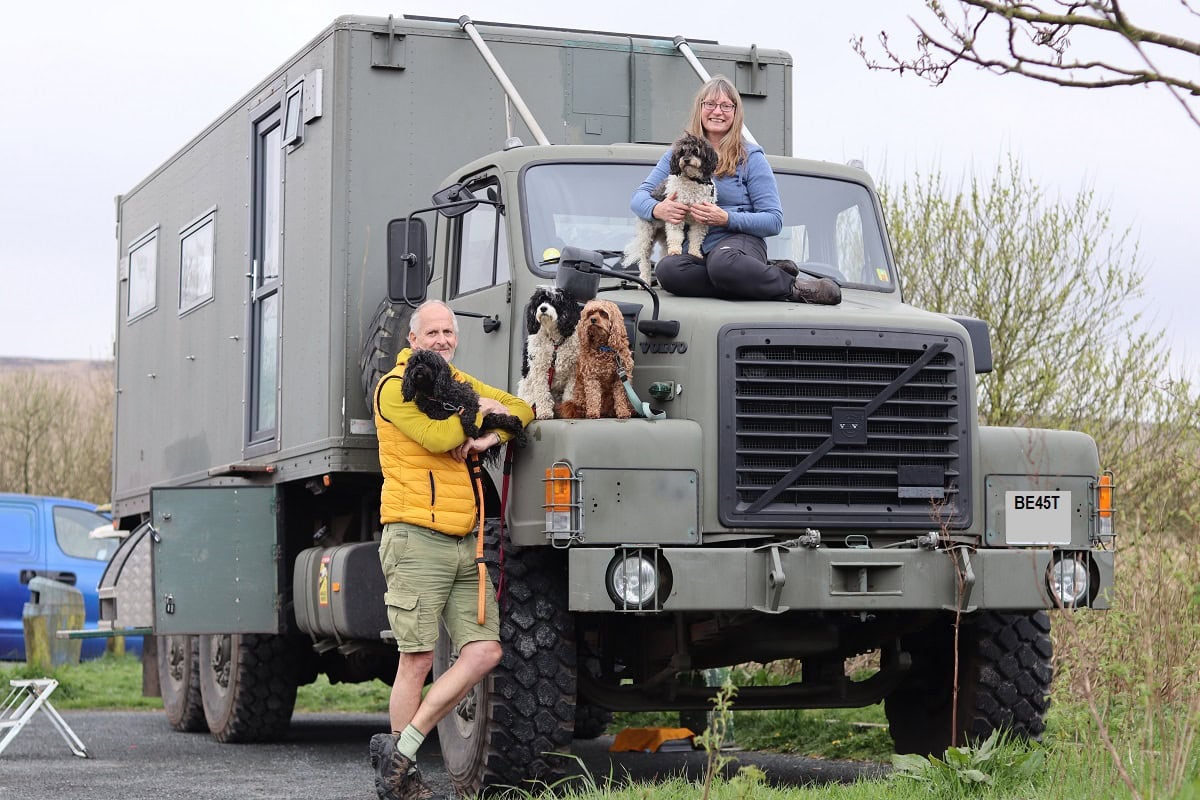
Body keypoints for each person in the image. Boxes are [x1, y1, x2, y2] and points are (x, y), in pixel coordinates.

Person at [369, 299, 534, 800]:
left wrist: (486, 440)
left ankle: (400, 748)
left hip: (467, 542)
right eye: (432, 332)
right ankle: (403, 779)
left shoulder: (457, 382)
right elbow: (438, 437)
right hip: (415, 536)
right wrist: (480, 415)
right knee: (416, 660)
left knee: (485, 651)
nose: (441, 340)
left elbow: (523, 408)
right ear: (413, 339)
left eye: (448, 331)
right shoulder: (394, 390)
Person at [630, 75, 840, 304]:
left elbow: (773, 220)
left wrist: (726, 218)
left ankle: (796, 288)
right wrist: (658, 209)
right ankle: (754, 278)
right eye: (709, 104)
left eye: (725, 106)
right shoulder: (680, 153)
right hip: (699, 250)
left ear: (735, 112)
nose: (717, 111)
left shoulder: (752, 158)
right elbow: (638, 199)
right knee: (668, 270)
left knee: (724, 263)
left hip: (740, 244)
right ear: (699, 108)